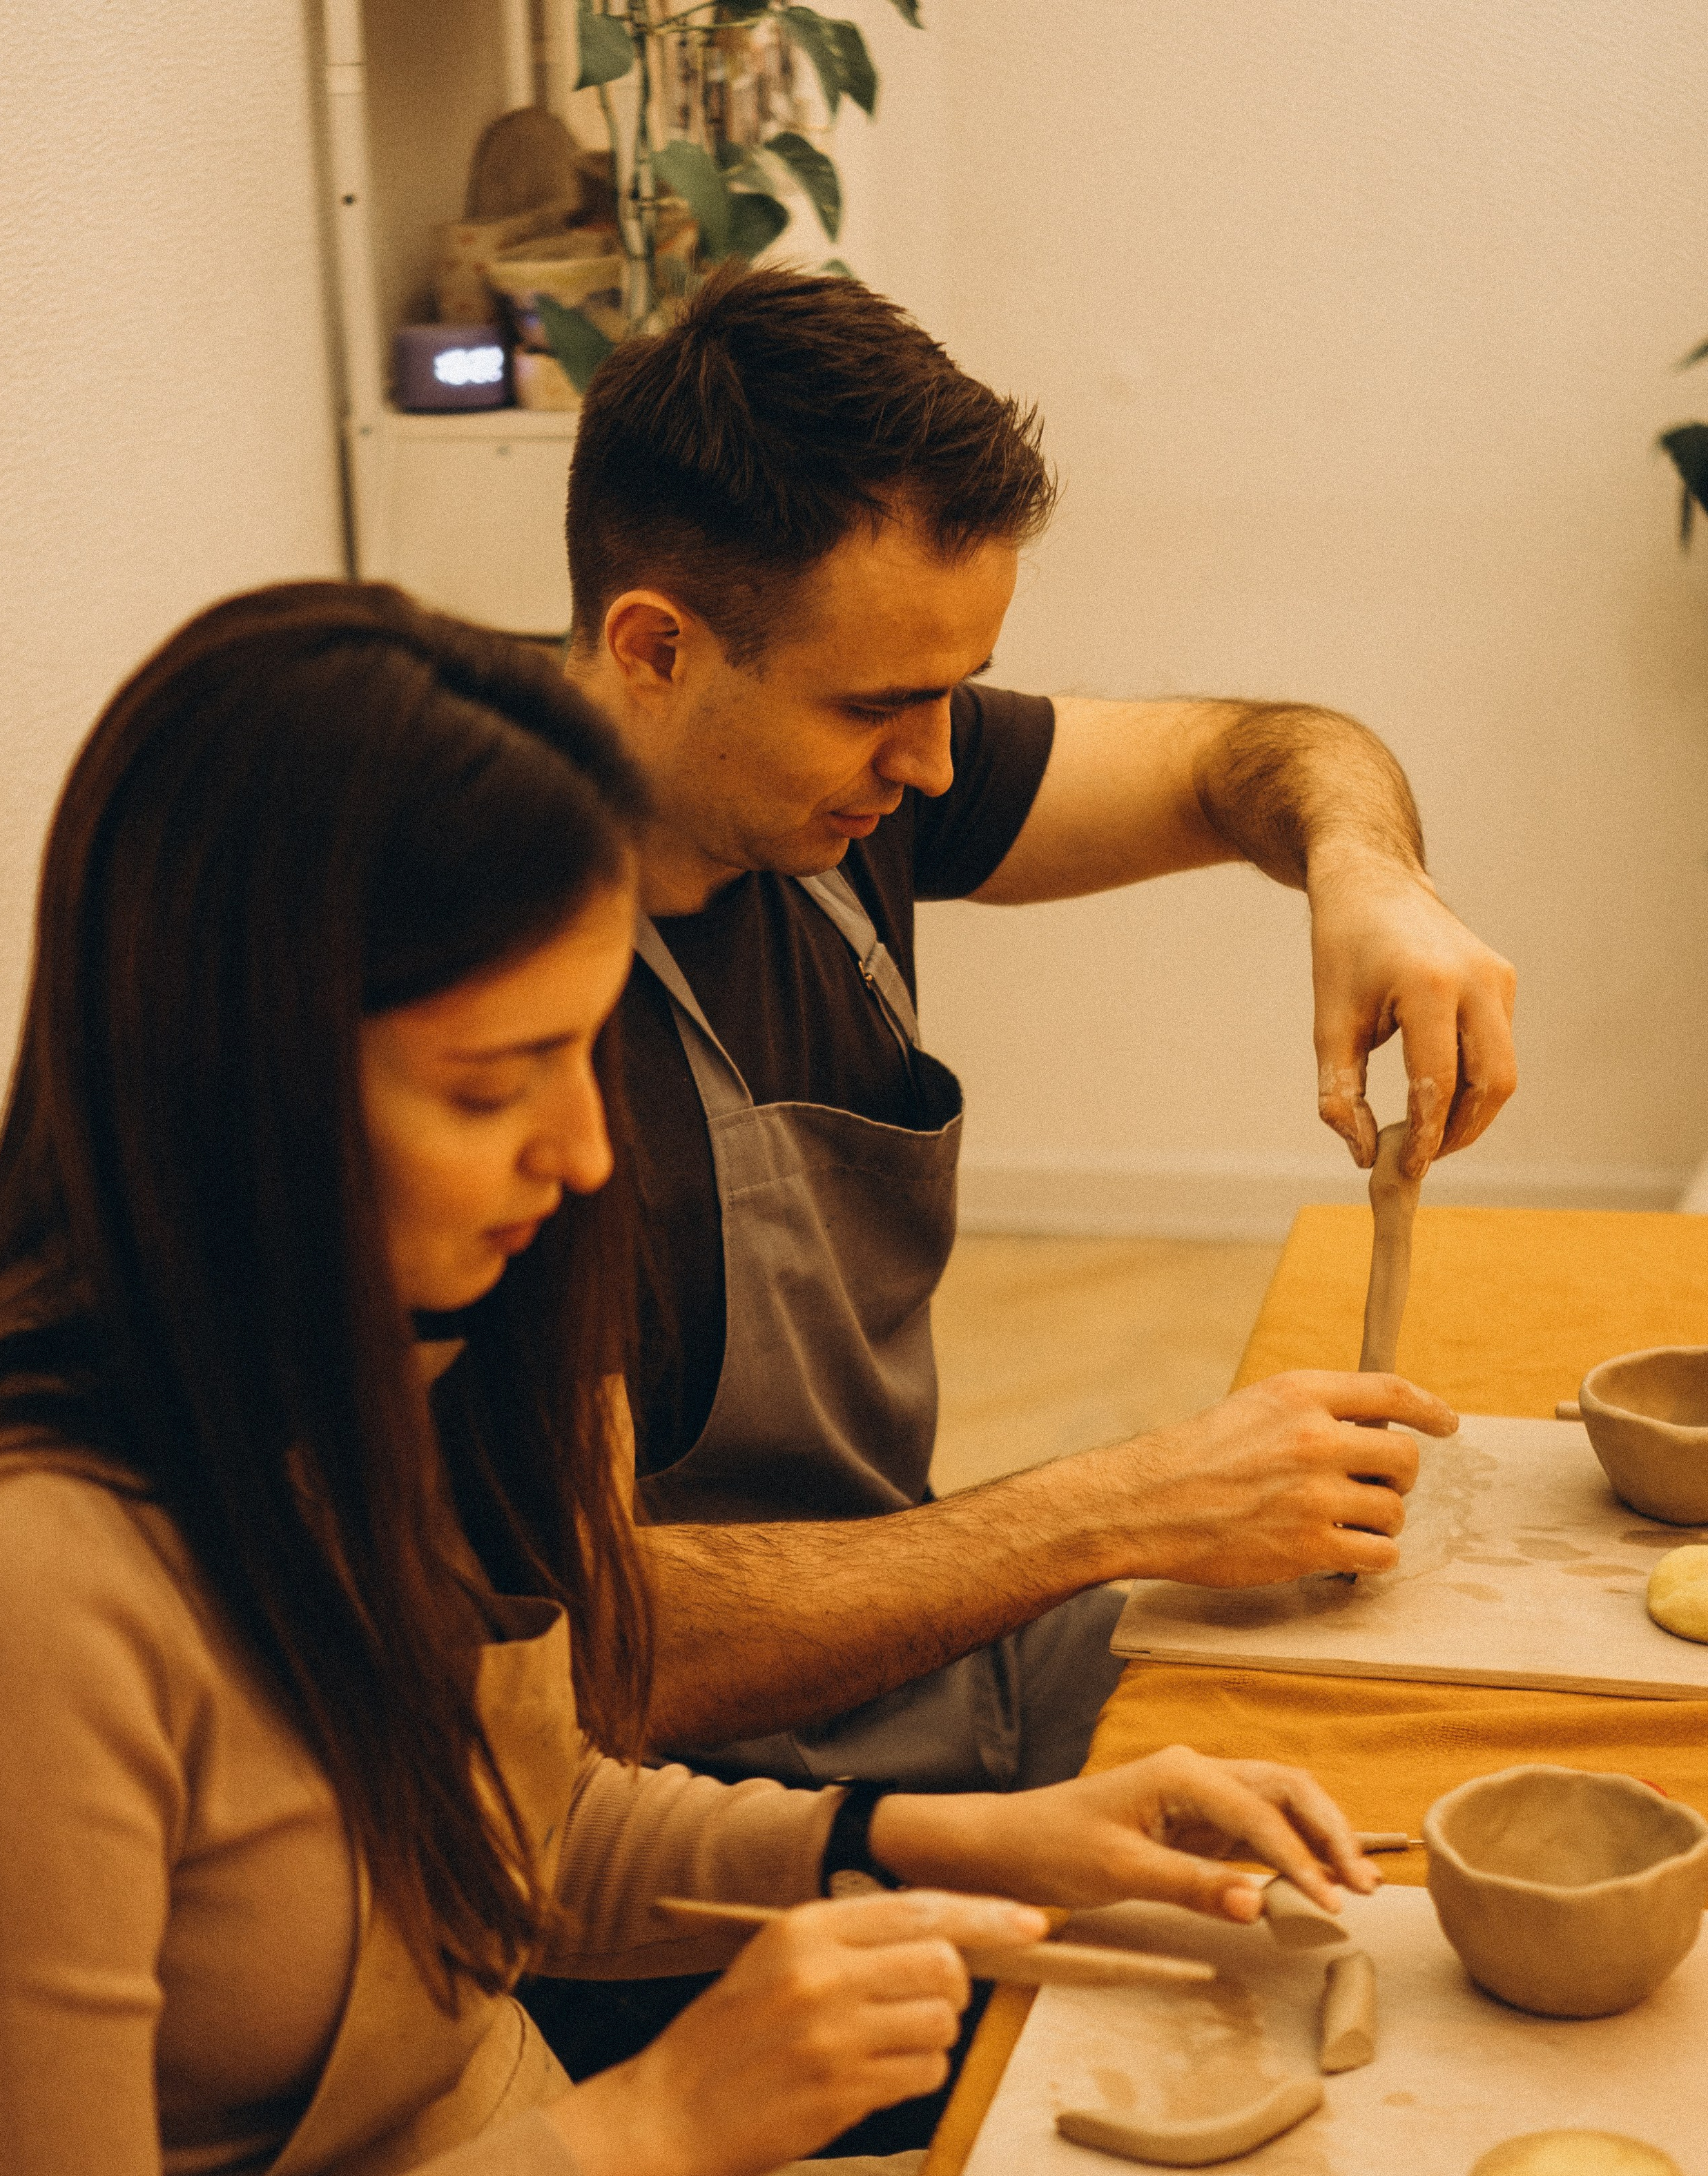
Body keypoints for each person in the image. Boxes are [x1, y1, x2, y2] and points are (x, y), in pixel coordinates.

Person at [0, 581, 1381, 2176]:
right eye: (495, 1080)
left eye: (590, 1050)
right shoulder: (24, 1590)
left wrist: (910, 1845)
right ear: (230, 1078)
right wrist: (662, 2128)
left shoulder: (379, 1360)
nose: (585, 1151)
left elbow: (515, 1838)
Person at [559, 263, 1507, 1801]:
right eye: (880, 705)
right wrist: (1118, 1509)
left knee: (1425, 1733)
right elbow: (595, 1655)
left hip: (924, 1661)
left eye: (961, 694)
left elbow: (1255, 757)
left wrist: (1365, 870)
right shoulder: (489, 1022)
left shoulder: (827, 802)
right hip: (715, 1820)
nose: (933, 767)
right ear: (655, 650)